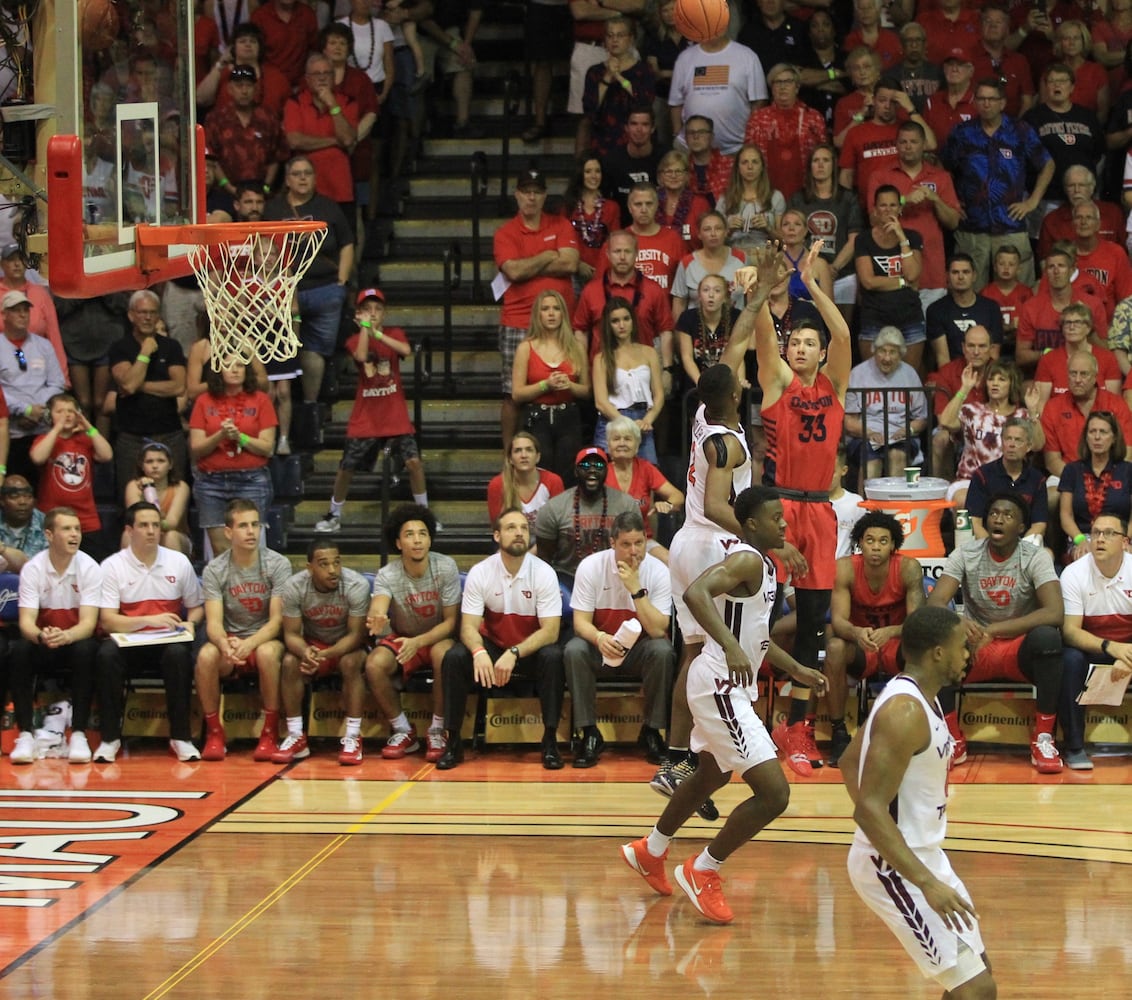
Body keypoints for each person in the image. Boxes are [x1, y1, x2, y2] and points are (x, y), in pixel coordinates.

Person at [619, 486, 828, 925]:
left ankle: (651, 849)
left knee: (711, 772)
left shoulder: (766, 567)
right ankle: (703, 869)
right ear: (751, 524)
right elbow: (696, 593)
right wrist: (730, 645)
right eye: (775, 518)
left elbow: (758, 638)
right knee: (774, 794)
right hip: (718, 684)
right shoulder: (747, 558)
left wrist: (796, 668)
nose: (784, 524)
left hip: (726, 684)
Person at [840, 605, 998, 1000]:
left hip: (924, 856)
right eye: (962, 647)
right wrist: (917, 873)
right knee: (976, 989)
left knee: (976, 974)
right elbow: (869, 809)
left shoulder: (915, 697)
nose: (968, 655)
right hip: (894, 868)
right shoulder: (904, 711)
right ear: (938, 653)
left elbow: (846, 762)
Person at [754, 239, 852, 775]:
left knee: (815, 624)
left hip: (820, 511)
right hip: (779, 508)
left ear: (821, 353)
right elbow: (765, 339)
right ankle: (748, 716)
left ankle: (798, 727)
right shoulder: (776, 383)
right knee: (759, 615)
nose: (800, 347)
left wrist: (810, 284)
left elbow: (843, 333)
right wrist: (774, 289)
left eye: (809, 342)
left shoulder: (836, 386)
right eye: (796, 340)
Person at [927, 493, 1065, 773]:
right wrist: (957, 623)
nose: (998, 519)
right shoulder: (966, 554)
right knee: (939, 636)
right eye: (994, 513)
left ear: (1022, 527)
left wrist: (994, 629)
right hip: (974, 648)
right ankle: (952, 738)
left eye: (1008, 515)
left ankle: (1043, 738)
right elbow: (935, 603)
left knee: (1048, 637)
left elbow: (1054, 612)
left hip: (1017, 648)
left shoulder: (1035, 556)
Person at [436, 508, 566, 770]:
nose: (519, 533)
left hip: (528, 650)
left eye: (524, 528)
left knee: (553, 656)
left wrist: (515, 652)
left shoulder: (543, 573)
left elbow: (551, 631)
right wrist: (478, 652)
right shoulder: (481, 572)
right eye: (511, 528)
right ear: (496, 535)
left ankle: (550, 741)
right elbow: (468, 627)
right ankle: (453, 742)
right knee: (455, 657)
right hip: (494, 646)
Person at [314, 287, 434, 533]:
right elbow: (360, 354)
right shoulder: (354, 339)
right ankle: (334, 513)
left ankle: (425, 514)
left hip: (394, 413)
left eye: (378, 309)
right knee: (347, 465)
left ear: (384, 313)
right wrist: (367, 331)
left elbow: (405, 351)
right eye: (368, 309)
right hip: (366, 415)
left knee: (413, 462)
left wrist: (377, 334)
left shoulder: (394, 333)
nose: (373, 313)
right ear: (358, 314)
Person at [93, 501, 205, 764]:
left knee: (178, 654)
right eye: (144, 525)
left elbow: (196, 607)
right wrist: (151, 621)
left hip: (166, 644)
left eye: (156, 525)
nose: (152, 531)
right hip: (127, 644)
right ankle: (110, 739)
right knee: (106, 655)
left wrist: (192, 623)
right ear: (129, 531)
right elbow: (108, 622)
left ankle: (181, 738)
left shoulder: (178, 562)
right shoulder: (111, 566)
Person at [564, 509, 674, 767]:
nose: (633, 551)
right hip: (601, 646)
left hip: (639, 650)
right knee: (574, 649)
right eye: (626, 544)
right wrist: (600, 638)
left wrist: (636, 590)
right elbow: (580, 622)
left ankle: (652, 731)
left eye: (639, 543)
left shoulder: (658, 571)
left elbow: (658, 629)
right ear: (612, 544)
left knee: (662, 650)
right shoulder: (591, 567)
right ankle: (588, 732)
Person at [263, 155, 354, 441]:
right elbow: (263, 248)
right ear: (287, 179)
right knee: (285, 351)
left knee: (315, 351)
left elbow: (347, 243)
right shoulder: (274, 209)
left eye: (308, 173)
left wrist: (341, 280)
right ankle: (282, 424)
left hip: (325, 288)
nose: (303, 178)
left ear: (315, 177)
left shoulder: (328, 207)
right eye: (297, 174)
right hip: (285, 291)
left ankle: (311, 409)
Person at [824, 511, 924, 767]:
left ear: (893, 545)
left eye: (883, 541)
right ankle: (838, 733)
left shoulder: (908, 568)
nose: (876, 547)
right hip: (862, 646)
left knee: (922, 648)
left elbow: (917, 622)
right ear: (860, 542)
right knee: (834, 647)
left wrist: (890, 631)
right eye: (870, 540)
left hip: (896, 645)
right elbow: (838, 621)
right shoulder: (845, 568)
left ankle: (920, 732)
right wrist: (857, 633)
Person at [196, 499, 293, 762]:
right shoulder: (215, 569)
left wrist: (248, 644)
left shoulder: (278, 564)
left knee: (265, 653)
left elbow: (276, 622)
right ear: (228, 532)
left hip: (265, 638)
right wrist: (225, 644)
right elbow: (214, 622)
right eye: (243, 526)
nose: (251, 532)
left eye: (255, 525)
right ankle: (215, 733)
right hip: (231, 640)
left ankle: (270, 732)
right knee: (205, 656)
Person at [365, 504, 461, 763]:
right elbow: (379, 605)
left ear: (430, 539)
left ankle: (437, 729)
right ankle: (403, 729)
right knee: (374, 664)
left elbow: (451, 622)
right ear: (398, 543)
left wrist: (418, 642)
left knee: (444, 655)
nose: (417, 540)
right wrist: (377, 617)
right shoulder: (387, 574)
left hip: (437, 636)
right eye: (409, 534)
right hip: (403, 638)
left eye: (422, 533)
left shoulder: (446, 567)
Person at [6, 507, 102, 765]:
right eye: (67, 529)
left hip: (74, 640)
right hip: (43, 641)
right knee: (19, 650)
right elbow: (26, 622)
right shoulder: (33, 568)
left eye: (77, 529)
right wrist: (41, 636)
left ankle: (79, 733)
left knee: (88, 649)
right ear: (49, 534)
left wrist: (67, 636)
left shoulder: (90, 567)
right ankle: (25, 733)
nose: (75, 535)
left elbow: (89, 623)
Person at [493, 167, 580, 449]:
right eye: (526, 192)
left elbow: (570, 263)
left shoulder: (561, 225)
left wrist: (529, 262)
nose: (531, 198)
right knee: (512, 394)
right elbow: (513, 271)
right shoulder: (505, 233)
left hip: (561, 323)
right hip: (518, 321)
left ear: (544, 196)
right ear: (517, 195)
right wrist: (546, 255)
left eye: (537, 192)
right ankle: (509, 454)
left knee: (567, 388)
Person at [941, 77, 1054, 288]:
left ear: (1002, 103)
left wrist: (1032, 202)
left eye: (992, 99)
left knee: (1020, 292)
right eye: (981, 98)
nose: (986, 103)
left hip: (1011, 226)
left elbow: (1047, 165)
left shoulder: (1020, 130)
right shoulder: (962, 133)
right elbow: (943, 169)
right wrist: (952, 202)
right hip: (972, 228)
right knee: (969, 292)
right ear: (975, 102)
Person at [271, 539, 371, 765]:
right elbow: (291, 635)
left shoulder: (356, 585)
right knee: (289, 662)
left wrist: (324, 655)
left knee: (350, 663)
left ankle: (353, 736)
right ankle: (296, 735)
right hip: (314, 644)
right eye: (324, 564)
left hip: (348, 646)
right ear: (309, 568)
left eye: (336, 562)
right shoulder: (295, 587)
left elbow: (357, 635)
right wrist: (307, 652)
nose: (333, 570)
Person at [1059, 513, 1132, 770]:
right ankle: (1075, 747)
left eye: (1109, 533)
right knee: (1069, 659)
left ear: (1125, 542)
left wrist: (1128, 659)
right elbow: (1070, 632)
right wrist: (1111, 648)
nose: (1100, 539)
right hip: (1094, 649)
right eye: (1096, 533)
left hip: (1129, 650)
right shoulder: (1073, 574)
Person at [189, 358, 277, 556]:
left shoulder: (261, 399)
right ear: (218, 370)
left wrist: (241, 438)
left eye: (240, 365)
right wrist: (220, 435)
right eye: (228, 365)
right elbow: (196, 448)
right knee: (220, 550)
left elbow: (267, 447)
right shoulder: (204, 401)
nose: (235, 370)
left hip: (251, 479)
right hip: (211, 481)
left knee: (249, 546)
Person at [110, 290, 189, 491]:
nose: (147, 317)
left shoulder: (171, 347)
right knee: (130, 496)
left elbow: (179, 386)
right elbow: (128, 385)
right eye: (142, 312)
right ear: (131, 315)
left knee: (175, 494)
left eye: (152, 312)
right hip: (131, 436)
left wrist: (140, 386)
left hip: (169, 432)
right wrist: (145, 353)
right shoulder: (120, 347)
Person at [512, 289, 590, 484]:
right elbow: (517, 394)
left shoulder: (576, 347)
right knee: (540, 473)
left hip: (568, 417)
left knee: (568, 474)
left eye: (556, 308)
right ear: (538, 314)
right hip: (537, 418)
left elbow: (587, 391)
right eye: (545, 309)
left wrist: (569, 386)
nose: (551, 313)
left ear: (563, 313)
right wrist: (545, 385)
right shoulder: (526, 348)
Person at [573, 229, 676, 369]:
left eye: (627, 252)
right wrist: (583, 369)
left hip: (643, 372)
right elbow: (580, 330)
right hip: (602, 373)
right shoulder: (591, 291)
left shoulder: (653, 290)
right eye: (617, 251)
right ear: (608, 254)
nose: (622, 257)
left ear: (636, 254)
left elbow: (666, 331)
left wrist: (667, 370)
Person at [534, 446, 640, 581]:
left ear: (607, 471)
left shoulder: (626, 505)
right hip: (567, 578)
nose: (592, 470)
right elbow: (544, 558)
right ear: (576, 471)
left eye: (599, 465)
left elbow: (634, 548)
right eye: (585, 465)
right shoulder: (553, 508)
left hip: (614, 577)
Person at [29, 393, 113, 560]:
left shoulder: (86, 440)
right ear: (48, 415)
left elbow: (107, 455)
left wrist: (88, 426)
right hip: (51, 517)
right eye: (60, 411)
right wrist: (57, 429)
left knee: (92, 564)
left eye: (71, 411)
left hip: (85, 517)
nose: (66, 415)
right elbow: (38, 457)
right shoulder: (43, 439)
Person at [789, 143, 863, 326]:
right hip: (807, 274)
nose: (820, 165)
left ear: (833, 165)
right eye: (816, 161)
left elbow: (854, 239)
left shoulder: (848, 199)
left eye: (825, 160)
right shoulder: (798, 199)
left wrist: (833, 269)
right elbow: (791, 235)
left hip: (843, 275)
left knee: (841, 330)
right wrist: (817, 269)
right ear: (810, 166)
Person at [854, 184, 925, 371]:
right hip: (873, 316)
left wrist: (901, 237)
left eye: (893, 205)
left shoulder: (913, 237)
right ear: (875, 209)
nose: (888, 210)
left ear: (900, 209)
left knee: (909, 379)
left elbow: (913, 274)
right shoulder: (863, 239)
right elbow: (868, 282)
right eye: (883, 205)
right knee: (871, 379)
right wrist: (902, 282)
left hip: (909, 316)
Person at [844, 326, 928, 478]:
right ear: (874, 351)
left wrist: (907, 430)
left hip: (900, 436)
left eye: (892, 352)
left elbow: (921, 419)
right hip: (864, 436)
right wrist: (870, 433)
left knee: (897, 455)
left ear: (901, 354)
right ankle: (868, 501)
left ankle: (895, 501)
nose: (887, 358)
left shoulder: (910, 374)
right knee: (871, 460)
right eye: (882, 351)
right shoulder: (858, 374)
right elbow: (849, 421)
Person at [0, 291, 67, 483]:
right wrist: (25, 409)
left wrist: (36, 409)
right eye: (16, 311)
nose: (23, 314)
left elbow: (57, 383)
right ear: (4, 314)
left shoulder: (43, 345)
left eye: (25, 310)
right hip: (11, 432)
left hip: (42, 430)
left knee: (44, 487)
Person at [668, 30, 768, 156]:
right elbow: (676, 103)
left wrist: (751, 141)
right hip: (690, 149)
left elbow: (758, 102)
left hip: (736, 150)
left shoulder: (747, 56)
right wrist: (677, 133)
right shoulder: (685, 58)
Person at [1040, 351, 1132, 484]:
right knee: (1050, 497)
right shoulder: (1053, 407)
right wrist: (1080, 481)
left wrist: (1105, 479)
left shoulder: (1116, 404)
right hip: (1068, 474)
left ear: (1095, 377)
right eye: (1073, 373)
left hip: (1113, 475)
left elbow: (1128, 454)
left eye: (1083, 374)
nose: (1077, 380)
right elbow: (1052, 461)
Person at [742, 63, 828, 203]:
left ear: (797, 87)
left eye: (788, 81)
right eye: (777, 82)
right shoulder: (758, 118)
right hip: (766, 193)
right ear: (772, 88)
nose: (783, 87)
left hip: (807, 192)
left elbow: (825, 156)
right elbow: (747, 156)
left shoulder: (813, 117)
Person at [592, 297, 664, 463]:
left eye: (626, 319)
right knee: (610, 479)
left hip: (643, 421)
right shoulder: (601, 358)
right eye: (615, 321)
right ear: (608, 325)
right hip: (613, 420)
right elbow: (601, 402)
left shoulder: (649, 352)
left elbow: (659, 395)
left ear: (633, 321)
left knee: (648, 477)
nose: (622, 325)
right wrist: (626, 424)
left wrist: (647, 420)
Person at [603, 415, 682, 556]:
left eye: (627, 439)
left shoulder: (646, 468)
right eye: (616, 439)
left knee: (673, 566)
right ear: (608, 446)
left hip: (642, 542)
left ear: (637, 445)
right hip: (609, 543)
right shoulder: (601, 472)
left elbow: (678, 497)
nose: (622, 443)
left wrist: (667, 505)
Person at [1058, 413, 1132, 563]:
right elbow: (1066, 515)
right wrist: (1080, 540)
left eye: (1103, 432)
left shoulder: (1128, 471)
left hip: (1119, 536)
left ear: (1114, 438)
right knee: (1086, 557)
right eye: (1092, 432)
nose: (1097, 437)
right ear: (1086, 437)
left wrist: (1125, 539)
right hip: (1083, 536)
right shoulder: (1072, 470)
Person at [203, 65, 289, 194]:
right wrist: (228, 187)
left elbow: (276, 157)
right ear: (230, 89)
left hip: (260, 192)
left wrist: (266, 186)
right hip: (224, 192)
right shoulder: (216, 119)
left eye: (248, 85)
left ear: (255, 88)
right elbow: (211, 158)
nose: (244, 91)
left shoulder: (269, 118)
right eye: (239, 86)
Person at [580, 17, 655, 159]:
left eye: (620, 35)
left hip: (635, 143)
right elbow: (590, 108)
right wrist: (608, 76)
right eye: (610, 35)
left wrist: (619, 77)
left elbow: (644, 100)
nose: (614, 40)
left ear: (631, 39)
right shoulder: (595, 72)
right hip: (603, 143)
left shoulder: (644, 70)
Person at [965, 417, 1049, 542]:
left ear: (1029, 446)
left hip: (1024, 546)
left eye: (1018, 440)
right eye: (1008, 439)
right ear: (1001, 442)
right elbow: (974, 521)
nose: (1011, 444)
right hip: (987, 544)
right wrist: (992, 548)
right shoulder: (982, 475)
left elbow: (1039, 525)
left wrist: (1020, 550)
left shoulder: (1037, 479)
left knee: (1048, 555)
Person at [926, 254, 1006, 368]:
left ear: (974, 276)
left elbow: (993, 355)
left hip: (985, 373)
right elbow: (942, 358)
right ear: (947, 276)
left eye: (966, 272)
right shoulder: (936, 310)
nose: (960, 277)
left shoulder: (991, 308)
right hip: (952, 374)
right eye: (955, 272)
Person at [671, 211, 747, 324]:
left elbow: (752, 300)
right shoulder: (687, 263)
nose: (713, 233)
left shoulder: (742, 259)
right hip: (696, 332)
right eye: (707, 229)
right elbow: (679, 303)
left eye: (718, 228)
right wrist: (680, 334)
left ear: (726, 231)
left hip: (735, 329)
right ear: (699, 234)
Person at [485, 431, 565, 535]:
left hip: (545, 543)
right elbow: (498, 529)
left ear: (537, 457)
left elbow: (559, 527)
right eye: (518, 451)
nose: (524, 455)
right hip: (511, 542)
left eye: (529, 450)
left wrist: (532, 551)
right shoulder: (497, 484)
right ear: (510, 459)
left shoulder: (553, 482)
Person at [123, 442, 191, 557]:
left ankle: (173, 574)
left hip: (175, 537)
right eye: (149, 461)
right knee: (128, 534)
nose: (155, 466)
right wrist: (145, 490)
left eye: (161, 461)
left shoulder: (181, 486)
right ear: (142, 465)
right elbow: (136, 520)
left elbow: (171, 523)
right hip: (144, 534)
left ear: (170, 465)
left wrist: (151, 493)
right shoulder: (133, 486)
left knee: (170, 536)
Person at [716, 144, 785, 256]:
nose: (750, 167)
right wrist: (729, 231)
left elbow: (784, 242)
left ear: (762, 166)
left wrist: (767, 228)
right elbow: (713, 242)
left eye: (755, 162)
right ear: (738, 168)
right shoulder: (725, 199)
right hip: (733, 256)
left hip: (765, 255)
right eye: (744, 162)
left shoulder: (775, 197)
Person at [562, 155, 621, 285]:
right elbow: (561, 242)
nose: (594, 176)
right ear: (580, 174)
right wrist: (578, 264)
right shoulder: (568, 206)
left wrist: (600, 270)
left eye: (597, 171)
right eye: (588, 171)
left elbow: (614, 243)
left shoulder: (612, 207)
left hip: (603, 274)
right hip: (572, 273)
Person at [654, 149, 713, 253]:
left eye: (678, 171)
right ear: (661, 176)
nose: (673, 176)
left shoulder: (700, 204)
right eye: (668, 171)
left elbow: (710, 239)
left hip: (693, 263)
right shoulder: (651, 202)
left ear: (687, 176)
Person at [0, 475, 47, 571]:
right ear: (2, 501)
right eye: (15, 497)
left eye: (27, 496)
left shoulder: (47, 524)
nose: (22, 502)